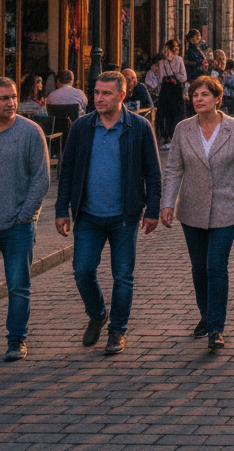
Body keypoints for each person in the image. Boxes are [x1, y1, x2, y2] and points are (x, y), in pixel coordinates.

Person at [55, 70, 162, 356]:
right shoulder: (82, 126)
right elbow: (67, 171)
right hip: (88, 214)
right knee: (82, 271)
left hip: (124, 215)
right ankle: (97, 313)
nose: (99, 98)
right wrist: (61, 209)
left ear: (122, 96)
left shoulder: (139, 127)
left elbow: (153, 172)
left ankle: (117, 330)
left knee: (123, 276)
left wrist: (152, 209)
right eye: (96, 92)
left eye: (106, 93)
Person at [159, 75, 234, 350]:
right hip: (192, 209)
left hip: (226, 207)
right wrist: (167, 203)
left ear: (218, 98)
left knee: (216, 266)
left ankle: (216, 327)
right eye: (195, 95)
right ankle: (205, 314)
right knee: (199, 268)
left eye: (204, 94)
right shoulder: (183, 129)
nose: (198, 99)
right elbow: (174, 168)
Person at [0, 76, 49, 361]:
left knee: (18, 286)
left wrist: (25, 216)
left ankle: (16, 340)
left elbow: (41, 179)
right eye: (4, 98)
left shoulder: (30, 131)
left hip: (18, 225)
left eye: (13, 97)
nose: (11, 103)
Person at [155, 40, 187, 148]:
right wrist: (175, 77)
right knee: (176, 113)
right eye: (175, 47)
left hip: (166, 90)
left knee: (166, 114)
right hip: (175, 90)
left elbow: (160, 79)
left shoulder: (162, 62)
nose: (177, 49)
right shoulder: (178, 60)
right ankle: (176, 137)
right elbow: (183, 77)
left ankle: (166, 138)